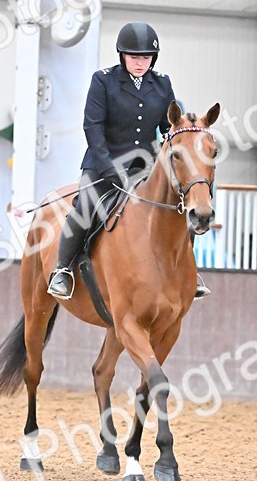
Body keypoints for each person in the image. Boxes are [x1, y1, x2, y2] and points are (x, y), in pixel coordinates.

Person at [46, 21, 211, 300]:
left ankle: (188, 271)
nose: (140, 62)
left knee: (180, 206)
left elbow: (168, 127)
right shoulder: (104, 80)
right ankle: (62, 271)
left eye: (145, 57)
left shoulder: (162, 84)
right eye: (134, 57)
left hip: (146, 167)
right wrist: (108, 167)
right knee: (85, 207)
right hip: (103, 164)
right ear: (122, 55)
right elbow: (92, 127)